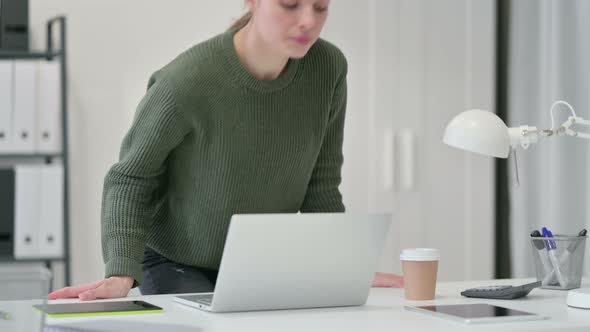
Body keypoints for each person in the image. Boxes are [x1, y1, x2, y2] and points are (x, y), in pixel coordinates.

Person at [49, 0, 403, 301]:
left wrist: (344, 266)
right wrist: (121, 272)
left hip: (256, 262)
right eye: (289, 3)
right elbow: (130, 179)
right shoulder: (185, 82)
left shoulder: (328, 69)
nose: (308, 20)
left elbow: (320, 185)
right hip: (175, 259)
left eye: (321, 6)